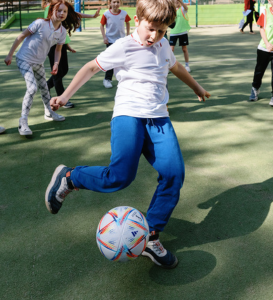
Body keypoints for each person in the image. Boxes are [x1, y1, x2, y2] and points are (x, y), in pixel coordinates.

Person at [45, 0, 210, 269]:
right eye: (150, 29)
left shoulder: (163, 45)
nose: (154, 36)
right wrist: (64, 96)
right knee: (120, 177)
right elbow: (91, 67)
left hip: (158, 118)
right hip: (128, 115)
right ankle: (70, 177)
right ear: (136, 20)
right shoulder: (124, 45)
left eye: (162, 31)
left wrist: (197, 88)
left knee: (174, 174)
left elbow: (176, 67)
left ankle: (150, 236)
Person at [4, 0, 80, 136]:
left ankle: (49, 112)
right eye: (59, 10)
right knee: (32, 88)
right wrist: (10, 54)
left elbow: (58, 50)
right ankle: (23, 121)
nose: (61, 13)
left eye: (65, 11)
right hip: (24, 59)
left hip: (38, 63)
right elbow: (21, 36)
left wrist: (56, 64)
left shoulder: (62, 31)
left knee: (44, 87)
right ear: (52, 11)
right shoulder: (40, 23)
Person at [42, 0, 101, 108]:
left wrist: (92, 16)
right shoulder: (50, 8)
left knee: (64, 70)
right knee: (57, 73)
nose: (62, 12)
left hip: (61, 43)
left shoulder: (62, 8)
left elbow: (74, 14)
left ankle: (45, 86)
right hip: (52, 45)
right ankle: (61, 97)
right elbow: (50, 27)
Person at [100, 0, 131, 88]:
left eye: (117, 2)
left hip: (122, 41)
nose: (116, 4)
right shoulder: (106, 14)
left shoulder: (124, 13)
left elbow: (128, 23)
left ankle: (124, 79)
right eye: (114, 2)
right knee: (111, 61)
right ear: (110, 3)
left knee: (123, 60)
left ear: (120, 3)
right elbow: (102, 25)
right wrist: (104, 37)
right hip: (110, 41)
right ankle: (107, 79)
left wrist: (128, 35)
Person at [169, 0, 191, 72]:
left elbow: (186, 8)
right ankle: (169, 65)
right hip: (173, 32)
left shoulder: (182, 9)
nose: (176, 2)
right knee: (171, 50)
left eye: (177, 1)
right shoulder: (171, 10)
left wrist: (181, 2)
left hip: (183, 32)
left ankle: (187, 65)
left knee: (184, 49)